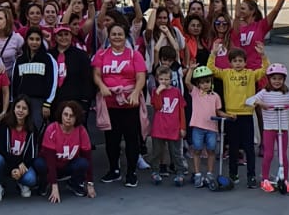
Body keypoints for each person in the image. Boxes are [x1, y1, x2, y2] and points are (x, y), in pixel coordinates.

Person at [92, 22, 147, 187]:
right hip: (110, 105)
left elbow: (141, 76)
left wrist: (136, 92)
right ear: (109, 37)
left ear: (125, 36)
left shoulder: (134, 55)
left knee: (132, 139)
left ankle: (131, 172)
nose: (117, 37)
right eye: (114, 34)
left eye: (120, 34)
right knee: (111, 140)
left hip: (130, 104)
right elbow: (96, 74)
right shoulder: (101, 54)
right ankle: (114, 169)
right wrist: (102, 86)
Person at [248, 64, 289, 195]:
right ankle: (265, 179)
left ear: (284, 80)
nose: (277, 81)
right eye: (274, 78)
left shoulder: (285, 93)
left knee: (283, 155)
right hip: (269, 128)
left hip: (283, 128)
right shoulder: (264, 93)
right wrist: (260, 103)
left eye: (280, 78)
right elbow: (249, 100)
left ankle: (284, 179)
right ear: (269, 79)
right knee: (268, 154)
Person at [211, 47, 263, 188]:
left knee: (248, 148)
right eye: (235, 61)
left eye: (240, 61)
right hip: (231, 115)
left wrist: (263, 55)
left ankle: (251, 175)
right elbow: (212, 69)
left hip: (246, 115)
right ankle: (233, 174)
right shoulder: (226, 74)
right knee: (233, 147)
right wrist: (213, 54)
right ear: (230, 63)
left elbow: (265, 71)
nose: (238, 63)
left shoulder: (251, 74)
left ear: (245, 62)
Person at [41, 101, 95, 203]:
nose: (68, 118)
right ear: (61, 115)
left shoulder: (81, 131)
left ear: (76, 118)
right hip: (52, 165)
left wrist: (90, 183)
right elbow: (50, 160)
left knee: (83, 163)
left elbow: (88, 157)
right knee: (39, 163)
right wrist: (54, 186)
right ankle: (45, 183)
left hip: (68, 165)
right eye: (65, 114)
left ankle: (73, 183)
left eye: (72, 116)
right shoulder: (52, 129)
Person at [0, 97, 40, 200]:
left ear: (28, 111)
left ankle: (20, 182)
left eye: (24, 108)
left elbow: (32, 154)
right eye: (18, 107)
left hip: (21, 164)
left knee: (31, 180)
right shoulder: (4, 124)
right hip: (7, 162)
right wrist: (15, 165)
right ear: (13, 108)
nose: (20, 110)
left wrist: (21, 169)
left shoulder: (32, 129)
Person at [184, 64, 223, 189]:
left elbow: (218, 111)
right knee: (197, 150)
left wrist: (228, 115)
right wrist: (190, 69)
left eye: (207, 81)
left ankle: (210, 173)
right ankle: (198, 173)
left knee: (211, 151)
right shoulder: (195, 93)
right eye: (202, 82)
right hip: (198, 127)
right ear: (198, 84)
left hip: (212, 128)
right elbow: (187, 81)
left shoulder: (215, 96)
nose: (205, 84)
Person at [9, 28, 56, 130]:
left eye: (37, 39)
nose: (34, 42)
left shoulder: (48, 59)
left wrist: (48, 103)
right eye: (31, 39)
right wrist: (13, 102)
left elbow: (52, 82)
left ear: (41, 41)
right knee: (21, 129)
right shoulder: (20, 60)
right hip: (22, 101)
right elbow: (14, 83)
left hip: (39, 102)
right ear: (27, 40)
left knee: (36, 129)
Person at [148, 63, 187, 185]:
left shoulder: (176, 92)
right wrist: (158, 93)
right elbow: (158, 106)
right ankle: (155, 172)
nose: (164, 82)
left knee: (176, 153)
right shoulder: (155, 91)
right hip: (159, 128)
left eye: (166, 79)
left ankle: (180, 172)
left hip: (173, 128)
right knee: (157, 152)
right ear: (157, 79)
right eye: (161, 79)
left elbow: (181, 110)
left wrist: (183, 127)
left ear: (171, 79)